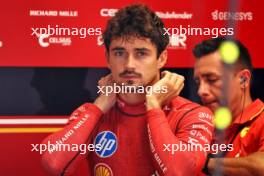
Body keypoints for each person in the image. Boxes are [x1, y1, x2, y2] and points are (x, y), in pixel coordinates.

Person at [41, 4, 214, 176]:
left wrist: (153, 104)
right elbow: (53, 165)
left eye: (141, 53)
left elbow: (179, 172)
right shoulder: (94, 112)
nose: (129, 64)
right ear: (108, 59)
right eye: (119, 53)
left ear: (161, 58)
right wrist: (99, 106)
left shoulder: (193, 114)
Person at [193, 37, 264, 175]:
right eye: (198, 82)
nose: (201, 91)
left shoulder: (261, 120)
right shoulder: (200, 128)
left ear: (243, 79)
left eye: (212, 79)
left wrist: (204, 163)